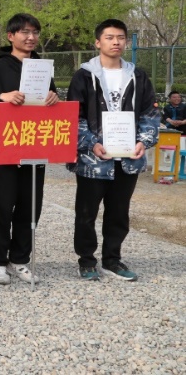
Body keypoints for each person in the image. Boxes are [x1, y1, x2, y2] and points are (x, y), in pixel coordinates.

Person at [67, 19, 160, 282]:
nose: (116, 42)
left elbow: (150, 113)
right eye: (109, 37)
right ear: (98, 42)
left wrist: (143, 141)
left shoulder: (138, 76)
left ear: (126, 42)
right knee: (86, 213)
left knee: (119, 212)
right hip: (93, 159)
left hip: (127, 158)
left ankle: (112, 259)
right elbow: (75, 116)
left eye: (120, 37)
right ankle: (86, 260)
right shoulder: (84, 76)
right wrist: (91, 143)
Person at [0, 13, 58, 285]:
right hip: (6, 151)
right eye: (25, 32)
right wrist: (1, 98)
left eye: (35, 32)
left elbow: (50, 106)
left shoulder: (43, 68)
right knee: (2, 208)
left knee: (30, 208)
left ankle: (20, 259)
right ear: (11, 36)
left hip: (35, 148)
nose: (31, 37)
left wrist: (53, 98)